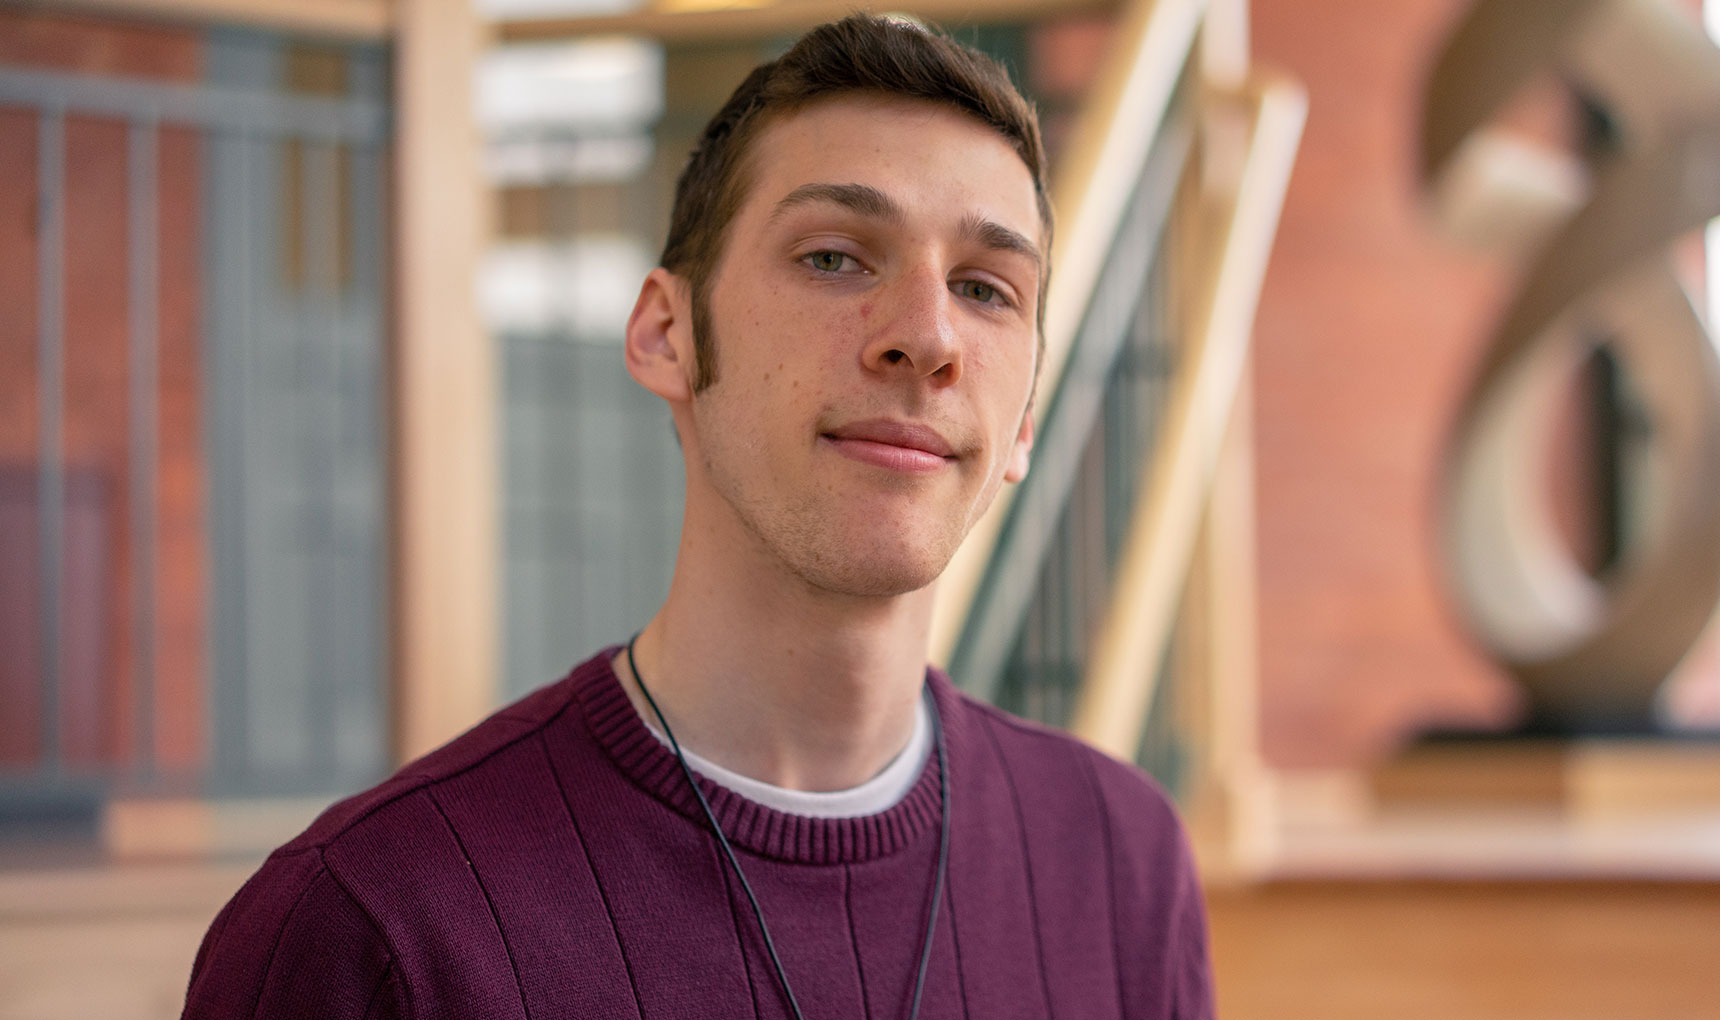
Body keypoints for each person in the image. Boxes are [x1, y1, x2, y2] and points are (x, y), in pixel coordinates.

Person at [182, 14, 1213, 1019]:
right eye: (835, 257)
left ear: (1024, 417)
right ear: (665, 334)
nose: (928, 337)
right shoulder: (372, 931)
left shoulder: (1121, 864)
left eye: (987, 289)